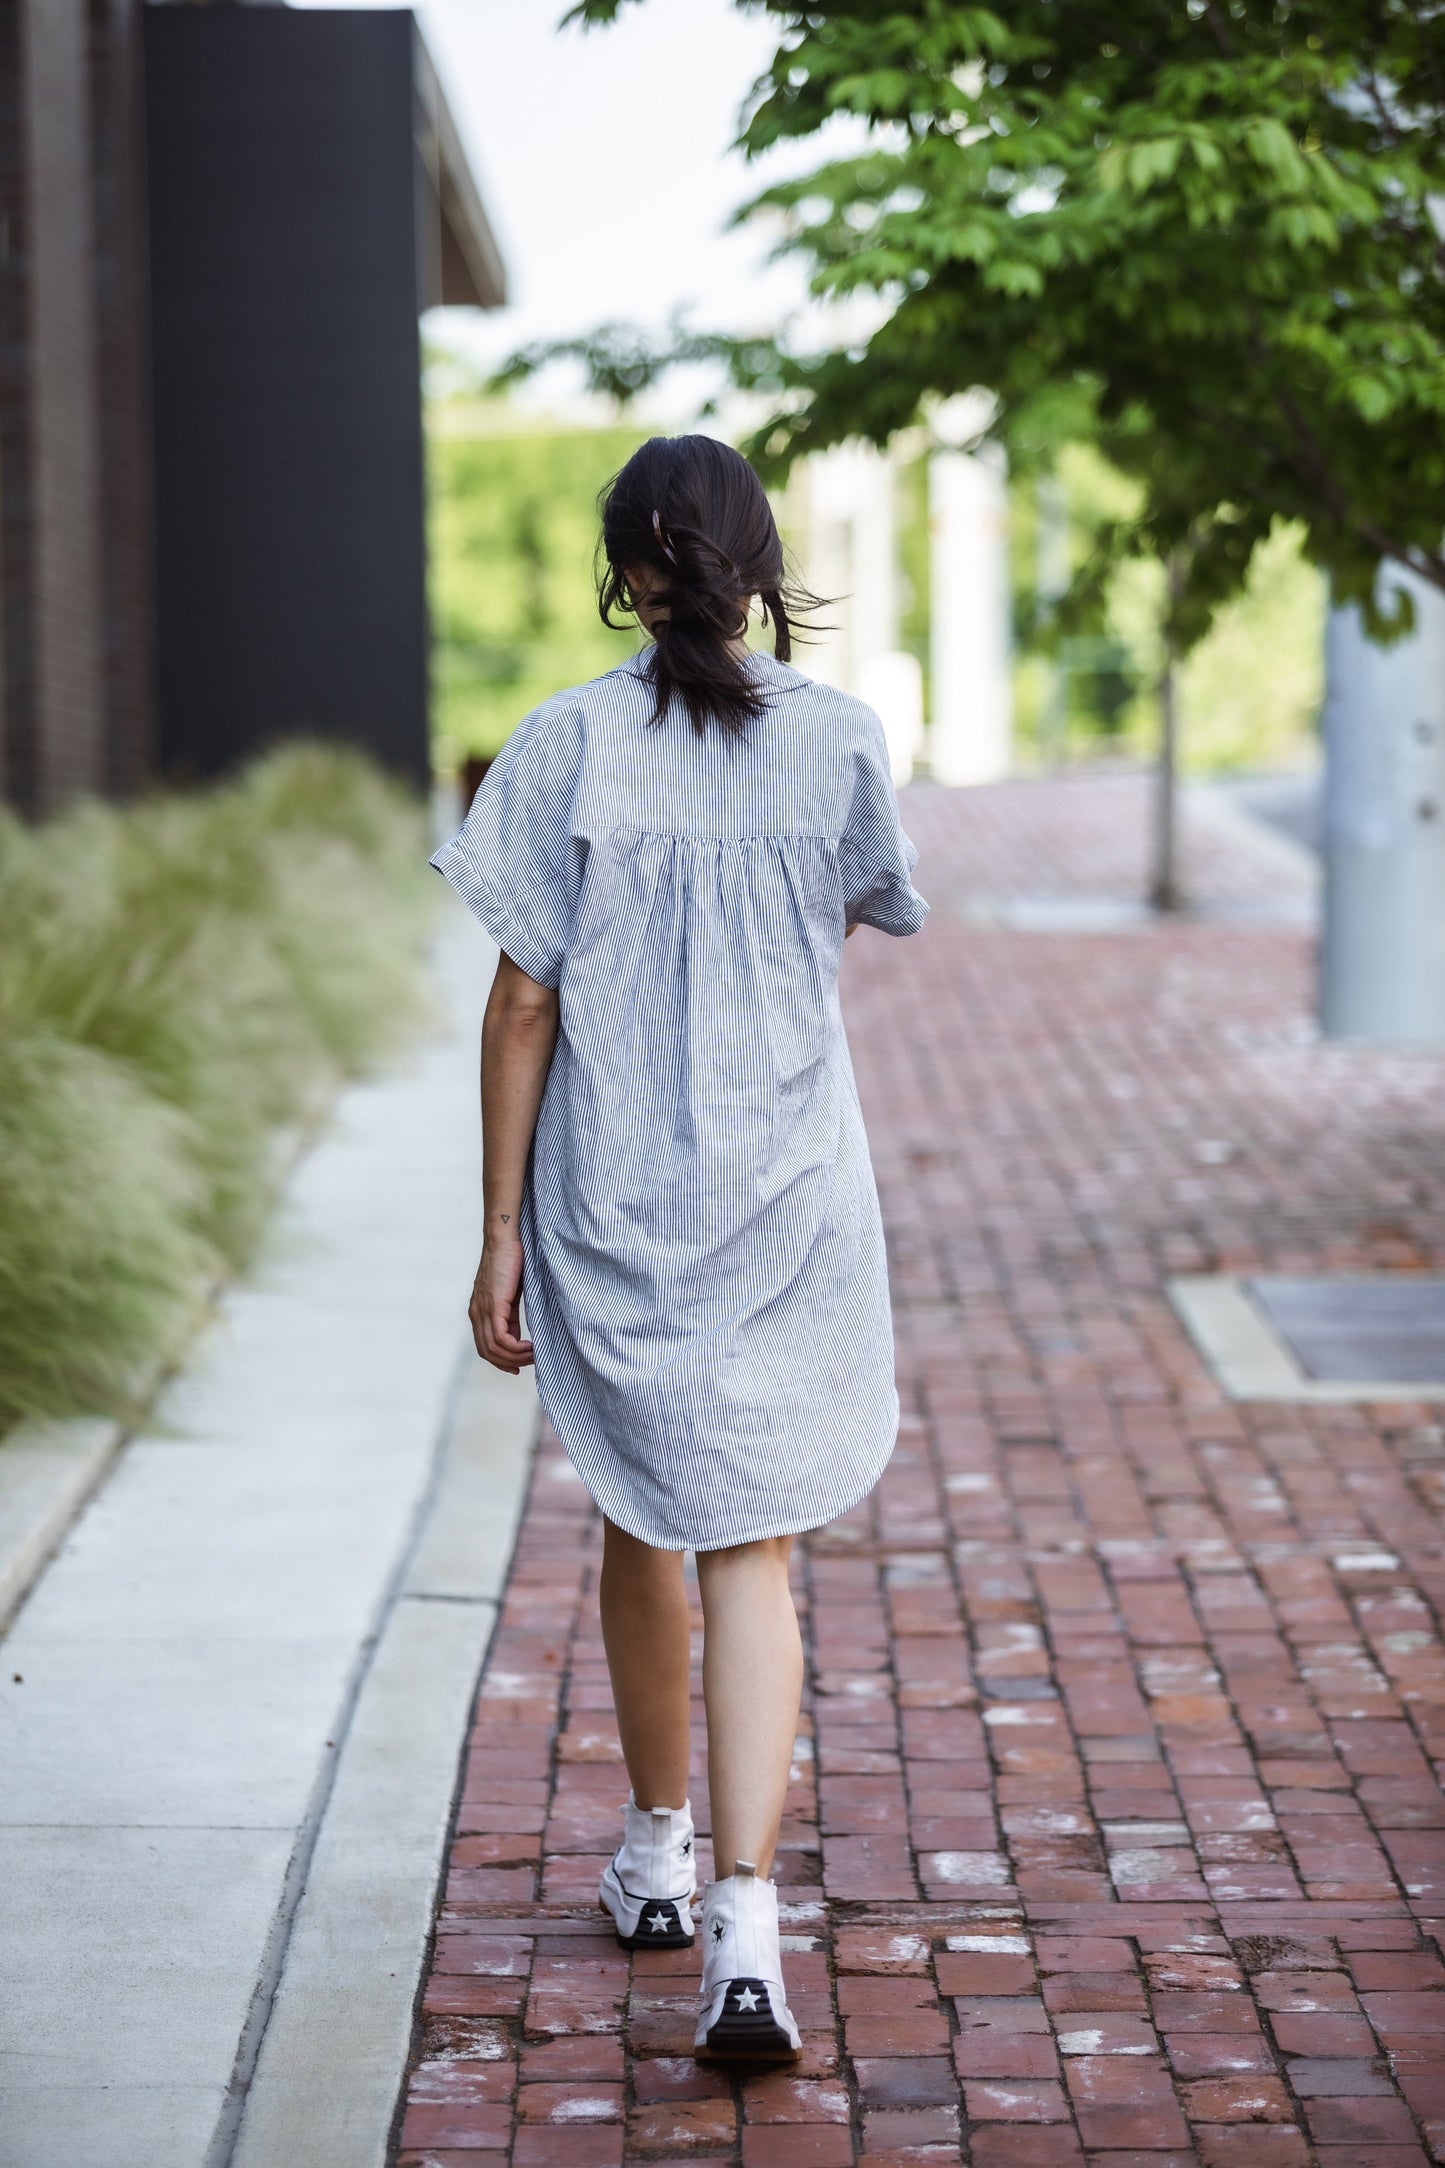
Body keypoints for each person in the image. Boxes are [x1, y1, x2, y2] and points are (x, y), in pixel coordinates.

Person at [431, 434, 926, 2061]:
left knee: (644, 1504)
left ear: (622, 568)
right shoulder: (842, 741)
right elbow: (855, 913)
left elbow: (521, 998)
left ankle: (652, 1850)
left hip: (617, 1195)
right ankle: (742, 1934)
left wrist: (496, 1231)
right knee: (753, 1540)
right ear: (754, 560)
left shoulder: (566, 744)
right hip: (784, 1197)